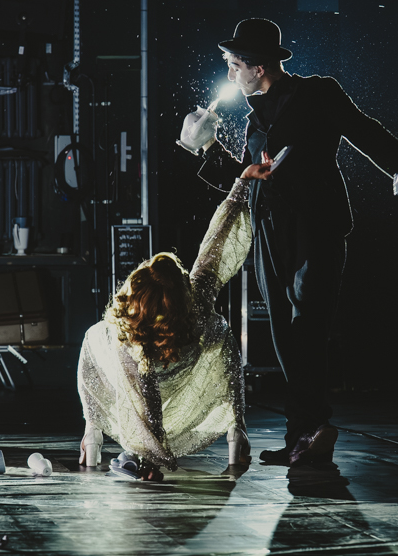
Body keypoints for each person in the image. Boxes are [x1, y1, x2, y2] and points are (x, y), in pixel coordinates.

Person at [187, 18, 398, 467]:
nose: (230, 75)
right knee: (284, 332)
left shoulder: (317, 94)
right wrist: (205, 147)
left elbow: (362, 129)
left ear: (258, 67)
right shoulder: (254, 120)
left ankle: (313, 427)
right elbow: (245, 178)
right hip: (269, 232)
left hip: (314, 227)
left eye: (234, 65)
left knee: (308, 326)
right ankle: (304, 433)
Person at [76, 164, 273, 480]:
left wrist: (151, 458)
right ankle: (237, 431)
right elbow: (215, 246)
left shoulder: (125, 338)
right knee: (221, 334)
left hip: (160, 362)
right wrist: (242, 184)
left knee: (94, 337)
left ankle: (92, 433)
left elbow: (147, 401)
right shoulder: (194, 303)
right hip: (185, 352)